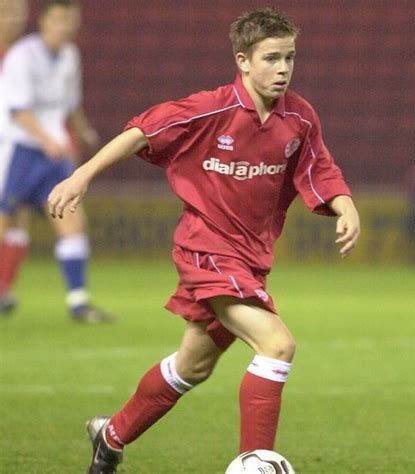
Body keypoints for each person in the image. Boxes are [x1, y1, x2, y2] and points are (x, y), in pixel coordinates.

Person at [48, 8, 361, 473]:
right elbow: (140, 132)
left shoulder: (299, 117)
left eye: (289, 58)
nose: (283, 69)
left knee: (192, 366)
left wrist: (345, 206)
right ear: (243, 61)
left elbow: (320, 168)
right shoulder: (208, 109)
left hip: (251, 258)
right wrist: (82, 175)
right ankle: (252, 463)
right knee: (276, 344)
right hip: (206, 250)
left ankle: (109, 436)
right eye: (271, 58)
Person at [0, 0, 114, 322]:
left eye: (71, 20)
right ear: (45, 21)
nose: (66, 26)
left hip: (55, 153)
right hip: (20, 149)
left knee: (72, 219)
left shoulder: (69, 56)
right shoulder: (22, 56)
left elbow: (70, 104)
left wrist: (81, 131)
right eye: (60, 19)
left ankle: (79, 302)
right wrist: (48, 140)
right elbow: (18, 110)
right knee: (5, 222)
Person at [0, 0, 30, 314]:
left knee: (17, 215)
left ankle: (4, 288)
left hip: (15, 146)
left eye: (19, 13)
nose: (14, 19)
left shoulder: (25, 57)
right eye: (7, 12)